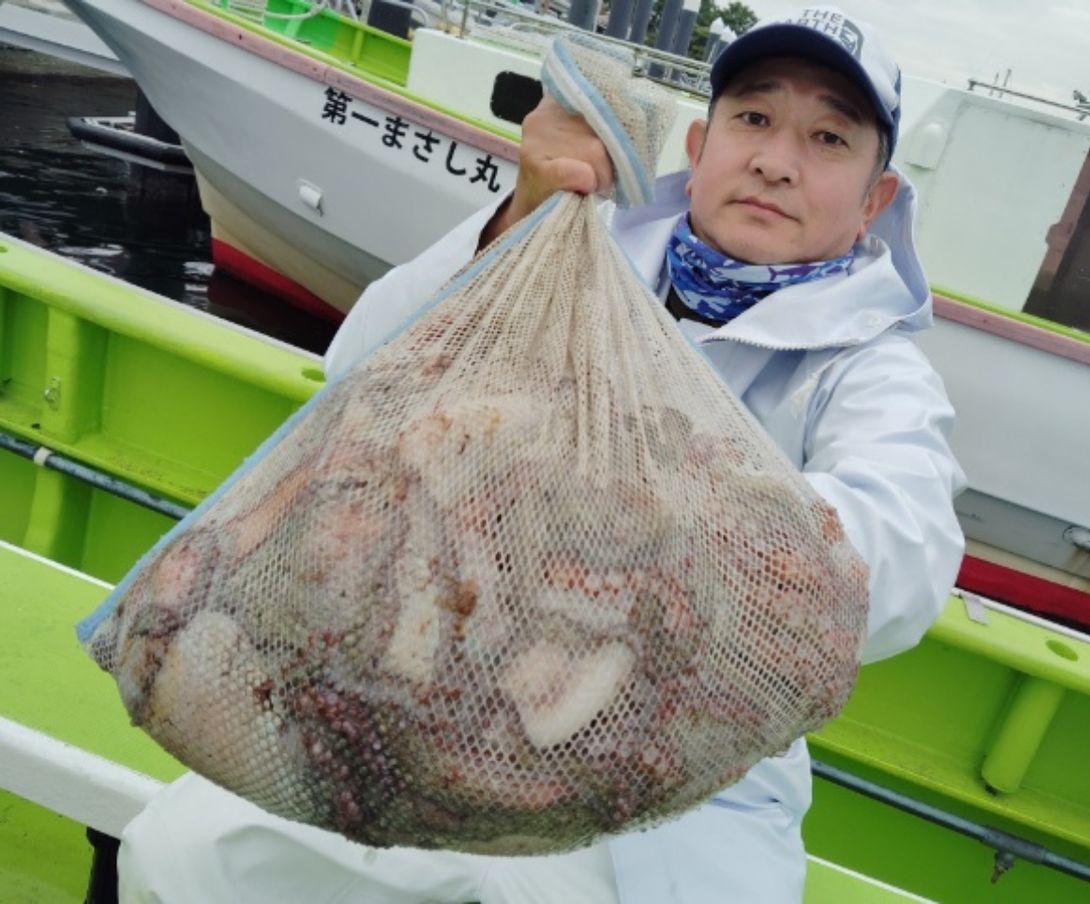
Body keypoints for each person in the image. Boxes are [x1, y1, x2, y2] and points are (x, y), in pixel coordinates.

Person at [117, 6, 965, 902]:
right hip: (437, 707)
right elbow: (355, 366)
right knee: (187, 851)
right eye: (753, 118)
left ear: (876, 198)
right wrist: (521, 213)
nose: (776, 159)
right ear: (699, 141)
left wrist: (644, 516)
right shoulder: (573, 249)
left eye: (829, 137)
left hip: (690, 795)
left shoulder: (871, 372)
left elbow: (902, 560)